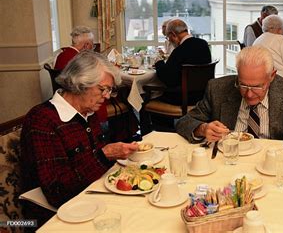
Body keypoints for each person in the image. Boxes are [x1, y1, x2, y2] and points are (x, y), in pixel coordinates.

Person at [21, 51, 139, 226]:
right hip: (54, 216)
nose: (107, 96)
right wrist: (104, 155)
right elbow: (56, 192)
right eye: (102, 89)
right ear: (80, 84)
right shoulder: (42, 121)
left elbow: (92, 164)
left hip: (90, 197)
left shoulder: (87, 112)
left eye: (109, 90)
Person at [176, 46, 283, 142]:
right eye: (243, 85)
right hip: (228, 161)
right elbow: (183, 122)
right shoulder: (217, 88)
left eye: (257, 87)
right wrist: (202, 128)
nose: (249, 95)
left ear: (272, 76)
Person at [155, 18, 212, 104]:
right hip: (203, 95)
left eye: (168, 37)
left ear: (173, 34)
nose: (169, 40)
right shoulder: (203, 44)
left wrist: (158, 62)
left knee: (150, 98)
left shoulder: (179, 51)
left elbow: (168, 79)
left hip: (183, 97)